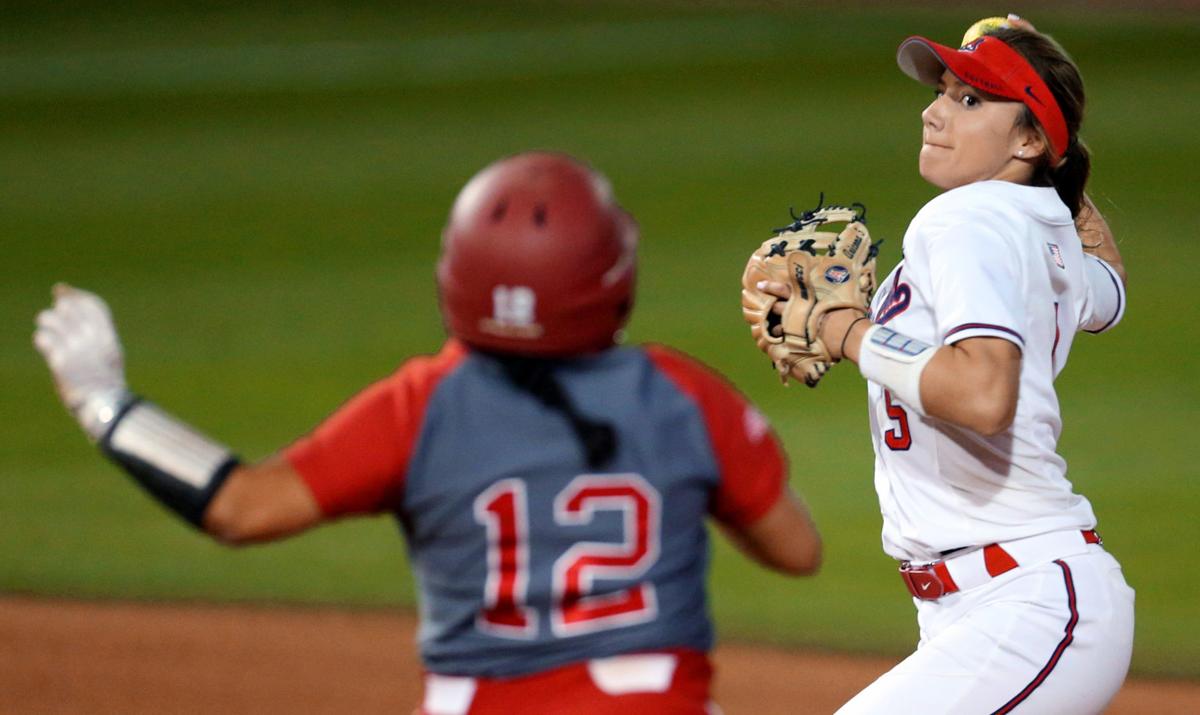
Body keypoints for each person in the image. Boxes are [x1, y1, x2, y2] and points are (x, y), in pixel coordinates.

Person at [34, 151, 822, 715]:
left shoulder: (419, 408)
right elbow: (797, 550)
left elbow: (239, 507)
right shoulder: (680, 395)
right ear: (609, 279)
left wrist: (104, 401)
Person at [760, 20, 1132, 715]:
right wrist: (1061, 160)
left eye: (970, 101)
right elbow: (1109, 284)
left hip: (1025, 603)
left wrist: (845, 329)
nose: (933, 111)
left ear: (1027, 141)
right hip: (999, 603)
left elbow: (983, 392)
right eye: (945, 92)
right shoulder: (1038, 228)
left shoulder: (964, 219)